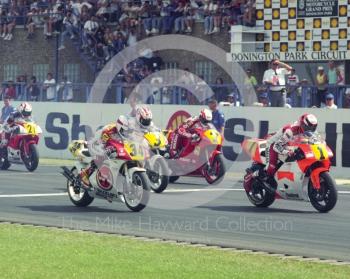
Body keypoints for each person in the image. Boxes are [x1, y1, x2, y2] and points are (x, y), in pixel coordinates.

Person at [263, 114, 318, 182]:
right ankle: (261, 178)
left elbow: (315, 140)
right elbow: (276, 146)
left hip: (287, 144)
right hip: (273, 144)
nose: (310, 130)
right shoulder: (291, 131)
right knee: (271, 167)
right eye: (307, 127)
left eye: (313, 128)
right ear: (302, 124)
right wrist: (287, 152)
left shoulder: (311, 131)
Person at [80, 115, 131, 188]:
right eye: (124, 130)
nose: (126, 132)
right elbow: (103, 144)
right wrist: (109, 150)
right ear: (119, 126)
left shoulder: (125, 131)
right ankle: (85, 174)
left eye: (127, 130)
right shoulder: (109, 131)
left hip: (110, 144)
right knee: (102, 154)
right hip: (96, 142)